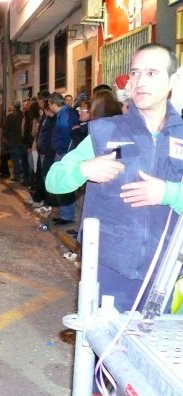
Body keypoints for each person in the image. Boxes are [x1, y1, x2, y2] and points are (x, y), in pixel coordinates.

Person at [45, 43, 183, 312]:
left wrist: (168, 193)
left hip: (168, 270)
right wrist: (83, 169)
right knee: (106, 353)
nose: (140, 81)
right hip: (109, 269)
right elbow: (53, 179)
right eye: (135, 72)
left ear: (173, 80)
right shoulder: (104, 132)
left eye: (152, 73)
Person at [47, 92, 80, 225]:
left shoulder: (65, 115)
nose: (49, 107)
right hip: (61, 153)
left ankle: (67, 216)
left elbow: (67, 136)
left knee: (63, 184)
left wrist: (64, 153)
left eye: (49, 104)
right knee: (61, 184)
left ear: (54, 104)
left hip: (64, 154)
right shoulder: (62, 114)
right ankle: (64, 214)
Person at [2, 101, 24, 182]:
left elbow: (5, 129)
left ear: (14, 107)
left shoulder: (10, 117)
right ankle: (22, 174)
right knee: (22, 158)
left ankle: (17, 175)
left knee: (15, 159)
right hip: (21, 141)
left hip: (13, 142)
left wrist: (5, 138)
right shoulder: (23, 115)